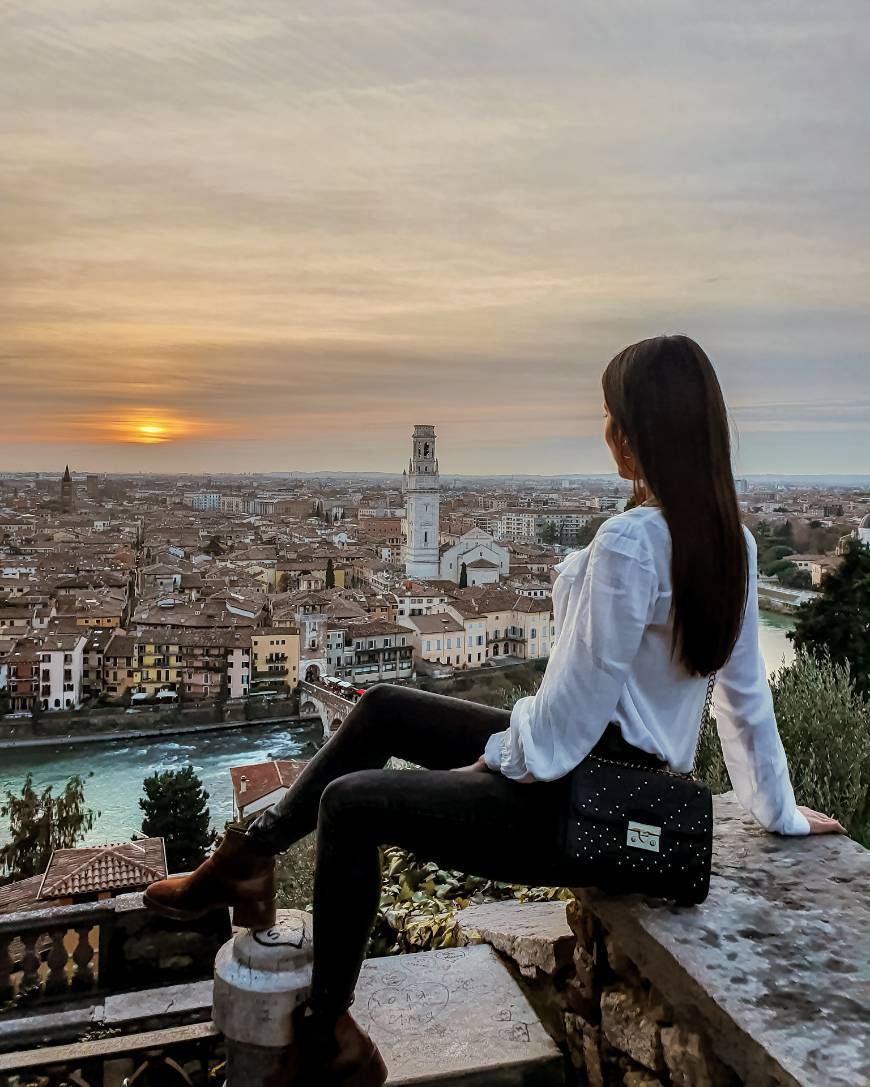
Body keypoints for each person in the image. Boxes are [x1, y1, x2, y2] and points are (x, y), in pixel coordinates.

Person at [144, 334, 845, 1086]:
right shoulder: (731, 542)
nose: (607, 430)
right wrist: (779, 812)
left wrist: (494, 759)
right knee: (381, 707)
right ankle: (248, 859)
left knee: (351, 806)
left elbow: (569, 722)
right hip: (620, 785)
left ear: (640, 433)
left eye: (612, 415)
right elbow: (745, 702)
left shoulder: (631, 544)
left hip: (576, 802)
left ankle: (328, 1037)